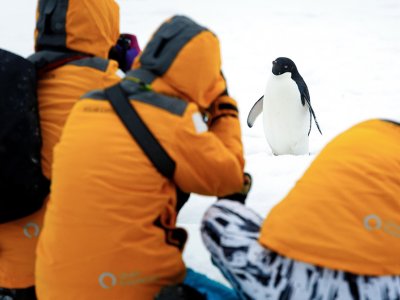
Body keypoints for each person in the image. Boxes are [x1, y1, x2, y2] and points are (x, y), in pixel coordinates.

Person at [35, 15, 246, 299]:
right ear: (201, 75)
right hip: (129, 287)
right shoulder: (174, 119)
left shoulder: (87, 104)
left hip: (52, 286)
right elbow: (230, 179)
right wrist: (224, 109)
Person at [0, 0, 121, 299]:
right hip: (71, 273)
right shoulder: (114, 91)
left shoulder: (15, 79)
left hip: (10, 269)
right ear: (106, 24)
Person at [201, 119, 400, 300]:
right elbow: (220, 223)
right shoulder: (278, 287)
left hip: (366, 136)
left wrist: (231, 200)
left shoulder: (282, 286)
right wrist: (232, 200)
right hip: (295, 276)